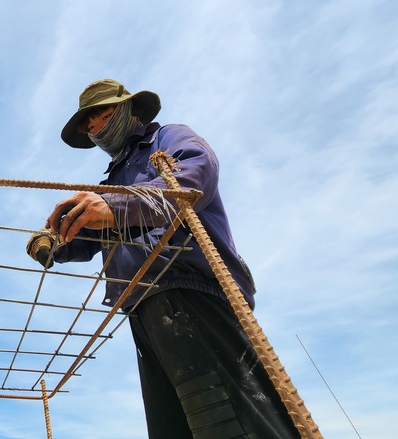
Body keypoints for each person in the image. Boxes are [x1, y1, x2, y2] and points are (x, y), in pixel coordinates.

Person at [26, 79, 299, 438]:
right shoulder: (114, 179)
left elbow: (194, 177)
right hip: (142, 309)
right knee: (176, 427)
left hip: (190, 290)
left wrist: (112, 204)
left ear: (128, 110)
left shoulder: (168, 139)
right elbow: (93, 236)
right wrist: (57, 242)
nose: (95, 130)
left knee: (229, 422)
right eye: (89, 127)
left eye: (101, 117)